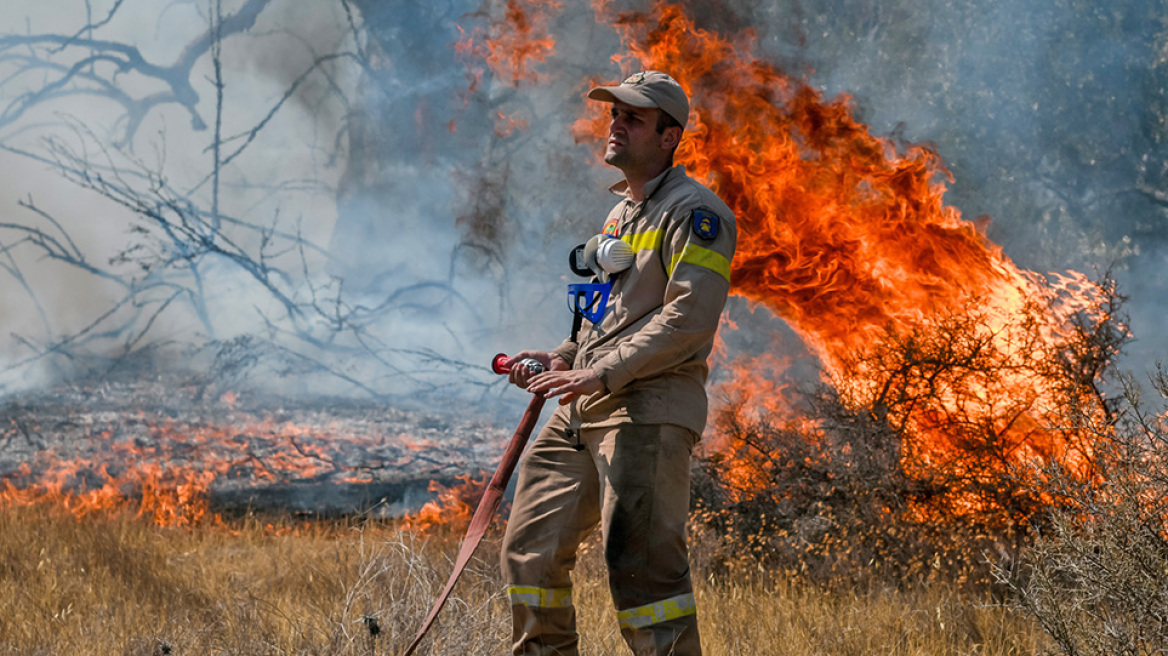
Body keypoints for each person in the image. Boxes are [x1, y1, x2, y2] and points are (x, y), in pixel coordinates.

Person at [500, 70, 737, 656]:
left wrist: (597, 373)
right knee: (528, 550)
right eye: (614, 115)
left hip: (646, 412)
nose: (616, 126)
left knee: (644, 574)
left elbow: (687, 321)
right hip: (583, 404)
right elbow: (609, 319)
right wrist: (556, 357)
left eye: (633, 117)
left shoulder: (697, 214)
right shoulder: (620, 217)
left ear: (669, 136)